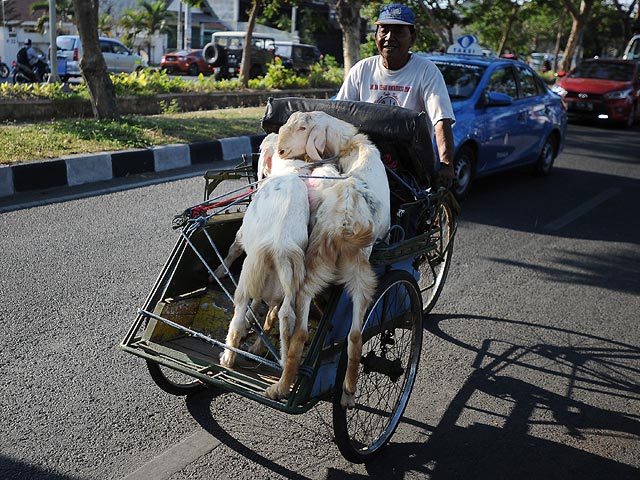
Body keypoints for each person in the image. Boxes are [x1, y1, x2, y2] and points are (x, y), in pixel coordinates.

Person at [335, 3, 456, 188]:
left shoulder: (426, 71)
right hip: (365, 158)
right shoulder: (362, 69)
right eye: (384, 31)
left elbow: (441, 119)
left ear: (412, 37)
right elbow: (340, 114)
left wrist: (446, 164)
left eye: (399, 32)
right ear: (376, 35)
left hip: (410, 165)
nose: (389, 38)